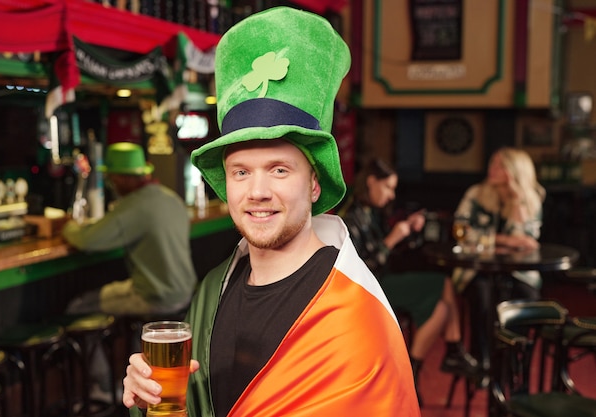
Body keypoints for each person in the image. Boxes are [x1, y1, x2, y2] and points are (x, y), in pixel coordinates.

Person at [123, 7, 420, 417]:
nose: (257, 192)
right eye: (241, 172)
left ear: (314, 183)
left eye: (279, 170)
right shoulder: (213, 290)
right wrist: (145, 399)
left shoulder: (355, 317)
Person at [62, 142, 198, 399]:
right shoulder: (171, 198)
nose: (112, 184)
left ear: (123, 178)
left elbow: (87, 241)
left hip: (155, 297)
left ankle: (101, 388)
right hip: (186, 293)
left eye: (113, 177)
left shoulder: (133, 206)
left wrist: (67, 226)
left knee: (78, 307)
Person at [340, 158, 478, 401]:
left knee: (442, 308)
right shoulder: (352, 217)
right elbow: (362, 269)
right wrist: (392, 239)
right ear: (371, 182)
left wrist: (409, 232)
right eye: (388, 187)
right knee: (443, 283)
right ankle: (451, 353)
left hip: (386, 280)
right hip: (370, 289)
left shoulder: (373, 212)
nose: (391, 195)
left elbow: (395, 256)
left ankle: (412, 375)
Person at [452, 147, 545, 369]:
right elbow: (460, 231)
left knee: (526, 295)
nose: (492, 169)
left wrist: (516, 201)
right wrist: (504, 241)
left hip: (518, 272)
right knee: (482, 294)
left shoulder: (530, 199)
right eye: (492, 163)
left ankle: (512, 359)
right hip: (476, 268)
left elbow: (526, 241)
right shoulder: (476, 193)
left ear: (516, 171)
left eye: (500, 166)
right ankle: (482, 360)